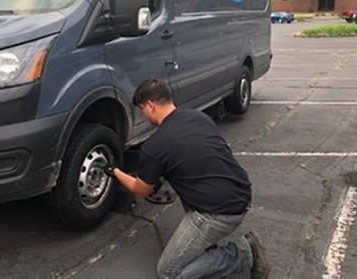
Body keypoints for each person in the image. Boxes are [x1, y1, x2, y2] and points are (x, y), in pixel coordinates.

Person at [107, 79, 268, 278]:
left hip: (217, 213)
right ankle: (205, 244)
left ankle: (244, 253)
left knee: (169, 271)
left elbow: (142, 190)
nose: (143, 114)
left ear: (149, 105)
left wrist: (114, 170)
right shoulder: (198, 117)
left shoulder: (155, 145)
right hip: (240, 193)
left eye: (142, 109)